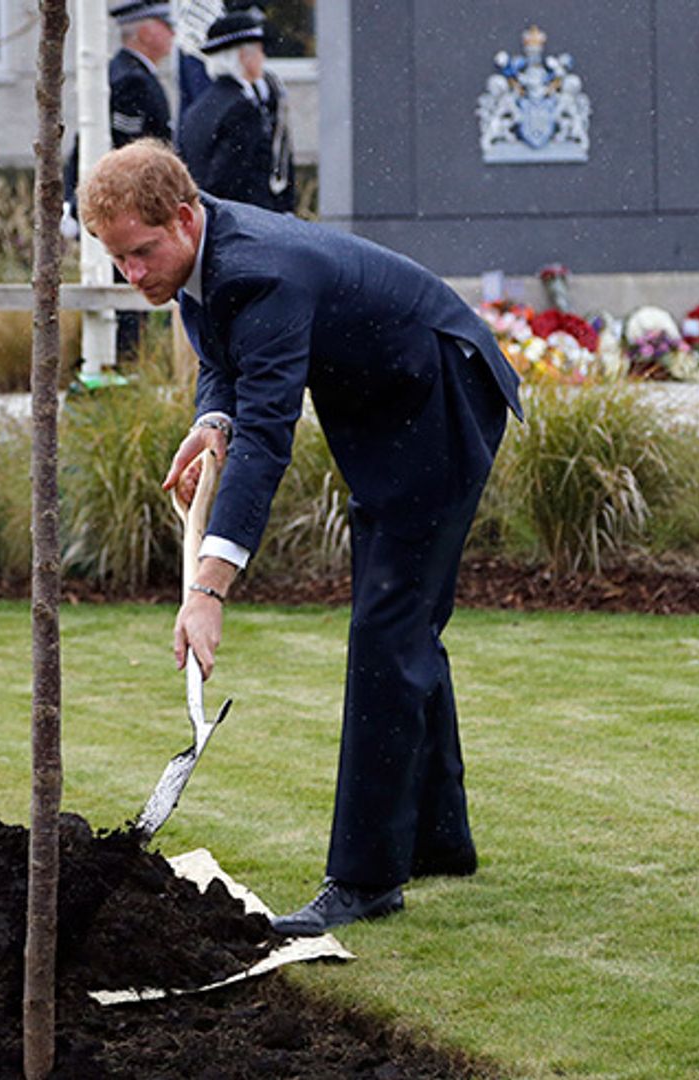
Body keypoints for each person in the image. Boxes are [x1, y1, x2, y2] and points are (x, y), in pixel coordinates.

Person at [77, 139, 522, 936]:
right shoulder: (196, 261)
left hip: (441, 401)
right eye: (118, 261)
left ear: (184, 216)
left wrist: (208, 589)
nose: (132, 275)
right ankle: (438, 840)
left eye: (141, 254)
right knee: (404, 623)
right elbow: (227, 362)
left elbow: (270, 436)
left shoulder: (263, 271)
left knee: (388, 631)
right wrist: (211, 419)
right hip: (388, 411)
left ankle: (364, 881)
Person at [62, 0, 175, 356]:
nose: (173, 35)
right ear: (144, 31)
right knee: (125, 296)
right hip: (126, 212)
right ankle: (120, 364)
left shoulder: (131, 75)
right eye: (165, 25)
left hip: (124, 211)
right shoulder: (130, 81)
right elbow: (125, 156)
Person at [177, 6, 295, 213]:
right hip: (244, 224)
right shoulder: (241, 110)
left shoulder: (198, 107)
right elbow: (233, 182)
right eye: (259, 50)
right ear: (244, 56)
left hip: (211, 218)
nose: (262, 58)